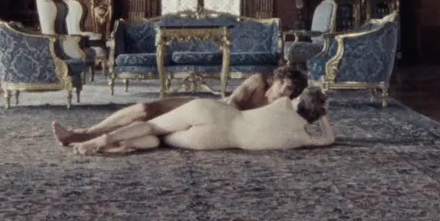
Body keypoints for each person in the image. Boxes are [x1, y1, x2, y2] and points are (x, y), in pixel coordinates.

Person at [51, 66, 309, 146]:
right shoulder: (257, 82)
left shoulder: (283, 107)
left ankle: (90, 140)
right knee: (144, 109)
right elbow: (231, 103)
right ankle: (83, 132)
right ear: (275, 80)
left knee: (151, 133)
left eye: (289, 90)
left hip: (208, 129)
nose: (282, 91)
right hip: (206, 108)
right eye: (281, 85)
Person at [69, 87, 334, 155]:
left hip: (213, 112)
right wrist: (323, 116)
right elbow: (328, 139)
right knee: (158, 140)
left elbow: (290, 98)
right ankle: (111, 147)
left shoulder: (283, 103)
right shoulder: (302, 138)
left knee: (152, 127)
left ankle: (103, 139)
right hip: (215, 140)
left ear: (299, 100)